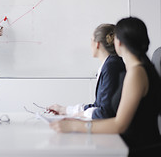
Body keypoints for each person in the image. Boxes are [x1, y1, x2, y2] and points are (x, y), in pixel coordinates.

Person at [50, 17, 161, 156]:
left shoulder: (137, 73)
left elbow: (119, 124)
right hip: (135, 144)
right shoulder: (141, 68)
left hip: (137, 149)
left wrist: (74, 125)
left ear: (118, 42)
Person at [48, 24, 126, 119]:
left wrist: (83, 114)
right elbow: (98, 105)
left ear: (97, 44)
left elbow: (105, 112)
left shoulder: (111, 66)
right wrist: (66, 110)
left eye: (91, 40)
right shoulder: (109, 64)